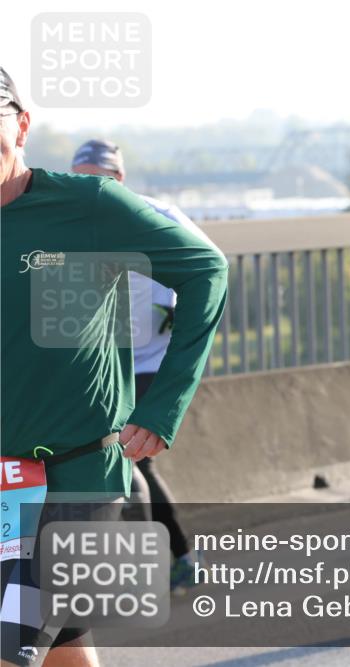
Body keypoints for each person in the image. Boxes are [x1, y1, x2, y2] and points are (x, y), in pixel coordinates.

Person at [1, 66, 228, 667]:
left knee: (10, 645)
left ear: (21, 126)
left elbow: (206, 270)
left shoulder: (89, 207)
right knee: (62, 649)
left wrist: (164, 404)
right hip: (3, 483)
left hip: (73, 476)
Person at [71, 139, 205, 593]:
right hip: (101, 366)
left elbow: (208, 271)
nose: (88, 187)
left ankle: (175, 558)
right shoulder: (69, 223)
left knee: (132, 458)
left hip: (153, 366)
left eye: (98, 178)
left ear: (119, 180)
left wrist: (173, 317)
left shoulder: (159, 216)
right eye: (79, 177)